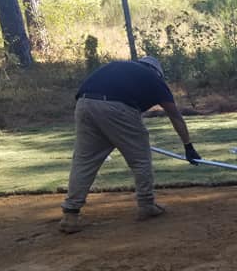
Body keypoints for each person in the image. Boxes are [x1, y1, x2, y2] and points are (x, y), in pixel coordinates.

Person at [59, 55, 202, 234]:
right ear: (157, 72)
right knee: (140, 158)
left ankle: (70, 215)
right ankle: (146, 204)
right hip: (116, 108)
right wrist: (188, 146)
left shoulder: (118, 68)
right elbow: (175, 115)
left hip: (84, 105)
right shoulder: (154, 79)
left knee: (84, 161)